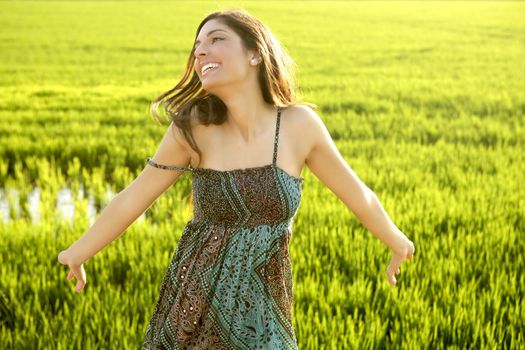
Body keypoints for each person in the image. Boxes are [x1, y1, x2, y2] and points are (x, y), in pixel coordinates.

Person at [57, 8, 415, 349]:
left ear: (254, 54)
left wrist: (397, 241)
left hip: (265, 311)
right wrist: (79, 252)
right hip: (195, 305)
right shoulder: (193, 126)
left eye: (215, 40)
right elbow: (135, 196)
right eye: (197, 48)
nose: (201, 53)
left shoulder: (298, 126)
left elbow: (358, 195)